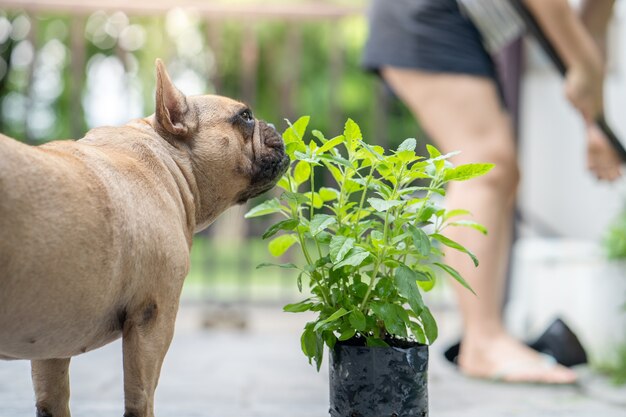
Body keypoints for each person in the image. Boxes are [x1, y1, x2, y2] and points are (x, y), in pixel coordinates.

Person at [363, 0, 621, 384]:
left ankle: (486, 336)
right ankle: (482, 342)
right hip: (425, 11)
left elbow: (592, 28)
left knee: (498, 170)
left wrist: (594, 125)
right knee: (485, 165)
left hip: (457, 22)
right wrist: (583, 65)